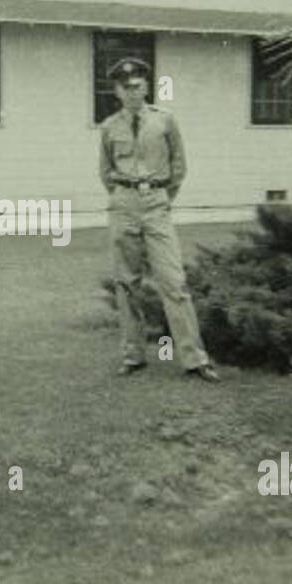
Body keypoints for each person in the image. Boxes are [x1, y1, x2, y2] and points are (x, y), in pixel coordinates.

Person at [98, 57, 218, 381]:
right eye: (126, 87)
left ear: (146, 87)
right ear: (117, 91)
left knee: (173, 281)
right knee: (127, 284)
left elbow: (179, 166)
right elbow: (105, 171)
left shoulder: (165, 121)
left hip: (156, 205)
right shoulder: (109, 127)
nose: (133, 92)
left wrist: (162, 198)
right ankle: (133, 356)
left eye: (137, 86)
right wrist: (125, 196)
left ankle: (195, 359)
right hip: (124, 205)